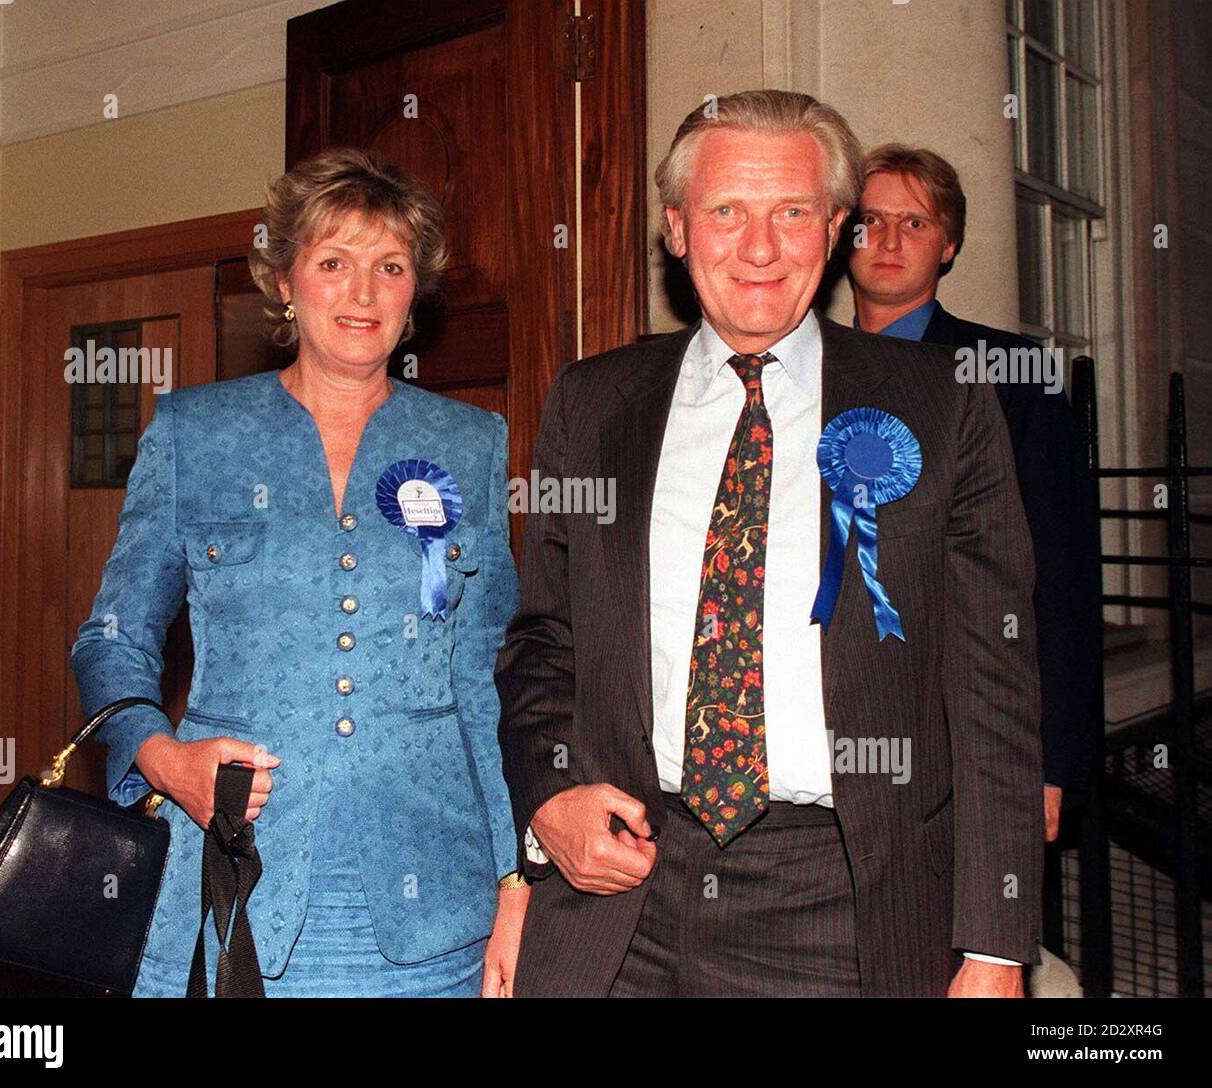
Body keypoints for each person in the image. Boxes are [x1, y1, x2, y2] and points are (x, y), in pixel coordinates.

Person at [495, 90, 1043, 997]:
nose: (759, 247)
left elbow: (994, 687)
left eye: (791, 211)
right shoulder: (593, 404)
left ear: (833, 228)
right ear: (676, 229)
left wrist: (993, 946)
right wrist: (550, 797)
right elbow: (544, 643)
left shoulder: (943, 404)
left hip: (844, 903)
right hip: (623, 888)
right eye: (725, 212)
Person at [71, 147, 526, 997]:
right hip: (229, 881)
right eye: (333, 263)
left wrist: (514, 878)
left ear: (414, 292)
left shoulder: (472, 443)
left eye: (389, 267)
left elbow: (486, 676)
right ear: (283, 281)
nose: (362, 292)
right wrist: (164, 760)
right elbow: (112, 638)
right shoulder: (193, 434)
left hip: (435, 903)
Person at [847, 144, 1099, 842]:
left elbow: (1060, 574)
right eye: (870, 221)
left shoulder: (1012, 376)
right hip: (834, 730)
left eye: (916, 223)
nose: (889, 240)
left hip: (968, 724)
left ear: (949, 244)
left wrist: (1051, 763)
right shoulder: (805, 371)